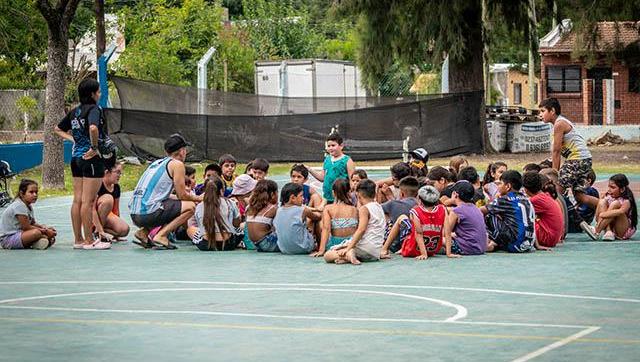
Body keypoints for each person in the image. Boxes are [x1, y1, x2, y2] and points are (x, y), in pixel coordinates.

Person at [54, 78, 111, 250]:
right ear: (92, 94)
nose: (100, 94)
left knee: (77, 200)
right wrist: (94, 147)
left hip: (75, 159)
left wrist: (74, 140)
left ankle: (78, 240)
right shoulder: (95, 109)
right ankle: (89, 241)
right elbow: (93, 128)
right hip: (90, 159)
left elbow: (57, 129)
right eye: (99, 92)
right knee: (88, 201)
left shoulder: (75, 111)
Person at [129, 134, 201, 249]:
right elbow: (182, 195)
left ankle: (144, 232)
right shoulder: (177, 164)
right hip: (147, 214)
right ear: (182, 151)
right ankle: (161, 235)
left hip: (135, 214)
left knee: (170, 204)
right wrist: (200, 198)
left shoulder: (157, 163)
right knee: (190, 207)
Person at [539, 97, 598, 239]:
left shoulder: (559, 124)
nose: (540, 115)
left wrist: (554, 173)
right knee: (580, 196)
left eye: (542, 111)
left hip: (577, 160)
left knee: (555, 191)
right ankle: (603, 208)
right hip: (584, 160)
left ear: (552, 111)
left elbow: (556, 151)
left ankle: (559, 228)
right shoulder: (560, 123)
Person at [324, 179, 385, 264]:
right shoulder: (379, 207)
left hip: (364, 249)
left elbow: (361, 230)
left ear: (358, 195)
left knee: (328, 255)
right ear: (374, 194)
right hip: (375, 253)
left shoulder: (364, 209)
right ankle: (347, 257)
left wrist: (348, 248)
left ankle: (348, 255)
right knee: (343, 249)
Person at [381, 185, 445, 260]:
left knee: (401, 218)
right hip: (432, 249)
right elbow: (446, 231)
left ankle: (384, 249)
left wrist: (424, 254)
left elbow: (418, 233)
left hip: (413, 248)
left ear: (419, 199)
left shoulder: (415, 210)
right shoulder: (442, 209)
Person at [481, 170, 535, 253]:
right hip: (528, 245)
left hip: (515, 245)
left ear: (508, 186)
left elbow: (480, 211)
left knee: (489, 215)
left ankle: (487, 241)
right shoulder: (526, 199)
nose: (498, 187)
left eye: (500, 184)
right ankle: (495, 243)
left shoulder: (506, 199)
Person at [189, 176, 242, 251]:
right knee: (239, 230)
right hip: (228, 244)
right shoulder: (230, 203)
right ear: (222, 190)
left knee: (190, 229)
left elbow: (200, 226)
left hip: (206, 245)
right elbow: (237, 223)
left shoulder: (200, 206)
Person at [0, 179, 56, 250]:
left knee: (49, 231)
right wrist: (46, 232)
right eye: (31, 192)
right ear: (21, 193)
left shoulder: (28, 205)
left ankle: (36, 242)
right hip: (8, 239)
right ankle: (39, 240)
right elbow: (26, 227)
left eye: (36, 192)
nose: (35, 195)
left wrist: (44, 227)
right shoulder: (19, 205)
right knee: (36, 233)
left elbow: (33, 223)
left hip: (21, 234)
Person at [311, 178, 358, 257]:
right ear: (349, 192)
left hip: (336, 243)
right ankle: (348, 254)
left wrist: (321, 250)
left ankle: (343, 256)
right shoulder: (355, 209)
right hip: (351, 243)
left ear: (333, 193)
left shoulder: (328, 208)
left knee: (328, 256)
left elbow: (326, 229)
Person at [307, 133, 355, 204]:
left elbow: (352, 180)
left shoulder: (347, 160)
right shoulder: (327, 159)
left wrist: (352, 194)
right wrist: (309, 169)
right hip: (327, 196)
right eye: (328, 146)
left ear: (341, 146)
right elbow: (322, 177)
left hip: (341, 197)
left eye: (333, 145)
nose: (330, 148)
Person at [273, 183, 321, 254]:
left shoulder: (278, 210)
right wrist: (323, 209)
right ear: (292, 198)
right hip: (303, 248)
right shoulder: (302, 210)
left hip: (284, 249)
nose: (303, 198)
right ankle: (319, 247)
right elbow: (317, 217)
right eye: (301, 196)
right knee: (313, 220)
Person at [443, 181, 487, 257]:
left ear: (455, 194)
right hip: (481, 247)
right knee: (453, 235)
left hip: (467, 248)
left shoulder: (456, 211)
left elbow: (445, 232)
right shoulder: (476, 208)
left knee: (439, 239)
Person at [379, 176, 420, 254]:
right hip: (417, 242)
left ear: (401, 193)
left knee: (385, 215)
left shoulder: (393, 204)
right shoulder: (421, 205)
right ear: (417, 193)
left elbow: (373, 209)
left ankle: (385, 247)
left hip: (395, 245)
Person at [590, 174, 637, 241]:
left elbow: (621, 211)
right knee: (602, 201)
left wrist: (603, 214)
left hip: (622, 231)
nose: (609, 190)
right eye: (609, 187)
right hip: (610, 225)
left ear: (622, 189)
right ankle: (608, 231)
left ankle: (597, 231)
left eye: (612, 187)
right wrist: (602, 200)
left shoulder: (626, 201)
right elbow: (600, 209)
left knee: (615, 204)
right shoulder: (609, 197)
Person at [522, 171, 563, 248]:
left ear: (525, 189)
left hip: (547, 238)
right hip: (553, 237)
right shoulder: (545, 196)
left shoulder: (536, 200)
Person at [93, 162, 129, 242]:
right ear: (107, 172)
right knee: (108, 199)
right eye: (117, 172)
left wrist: (117, 236)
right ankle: (98, 231)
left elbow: (116, 210)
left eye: (120, 173)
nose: (119, 175)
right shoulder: (98, 184)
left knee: (124, 229)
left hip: (106, 216)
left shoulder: (116, 187)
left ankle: (98, 231)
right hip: (92, 217)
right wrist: (99, 229)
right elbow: (91, 209)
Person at [245, 180, 279, 252]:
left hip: (255, 244)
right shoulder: (273, 208)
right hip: (268, 243)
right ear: (273, 194)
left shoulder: (249, 207)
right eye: (277, 192)